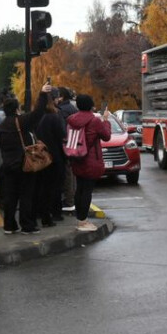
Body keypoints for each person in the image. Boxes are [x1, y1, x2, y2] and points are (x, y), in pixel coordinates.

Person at [66, 94, 111, 232]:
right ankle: (83, 221)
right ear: (91, 105)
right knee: (87, 191)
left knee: (79, 188)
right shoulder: (94, 121)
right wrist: (105, 120)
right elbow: (107, 136)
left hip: (76, 157)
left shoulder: (71, 119)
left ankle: (80, 219)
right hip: (90, 160)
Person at [23, 86, 66, 226]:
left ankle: (37, 214)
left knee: (38, 187)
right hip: (53, 156)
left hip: (37, 156)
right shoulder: (55, 117)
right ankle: (51, 215)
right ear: (53, 100)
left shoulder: (36, 117)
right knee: (52, 188)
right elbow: (62, 137)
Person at [0, 97, 39, 235]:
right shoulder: (21, 121)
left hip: (8, 165)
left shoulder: (2, 125)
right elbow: (38, 113)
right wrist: (43, 94)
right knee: (26, 195)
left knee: (10, 196)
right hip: (23, 164)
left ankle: (9, 225)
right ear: (16, 109)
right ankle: (27, 225)